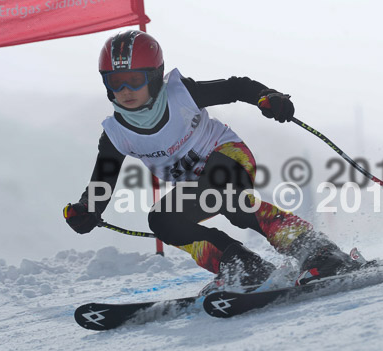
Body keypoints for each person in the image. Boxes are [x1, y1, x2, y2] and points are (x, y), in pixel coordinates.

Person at [63, 30, 361, 291]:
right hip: (195, 185)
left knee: (232, 201)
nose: (124, 91)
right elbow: (103, 180)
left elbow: (235, 87)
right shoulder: (116, 134)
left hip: (229, 157)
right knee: (163, 220)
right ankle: (242, 267)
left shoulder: (181, 95)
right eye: (115, 82)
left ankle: (321, 252)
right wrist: (87, 210)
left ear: (154, 77)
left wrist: (267, 97)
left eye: (133, 79)